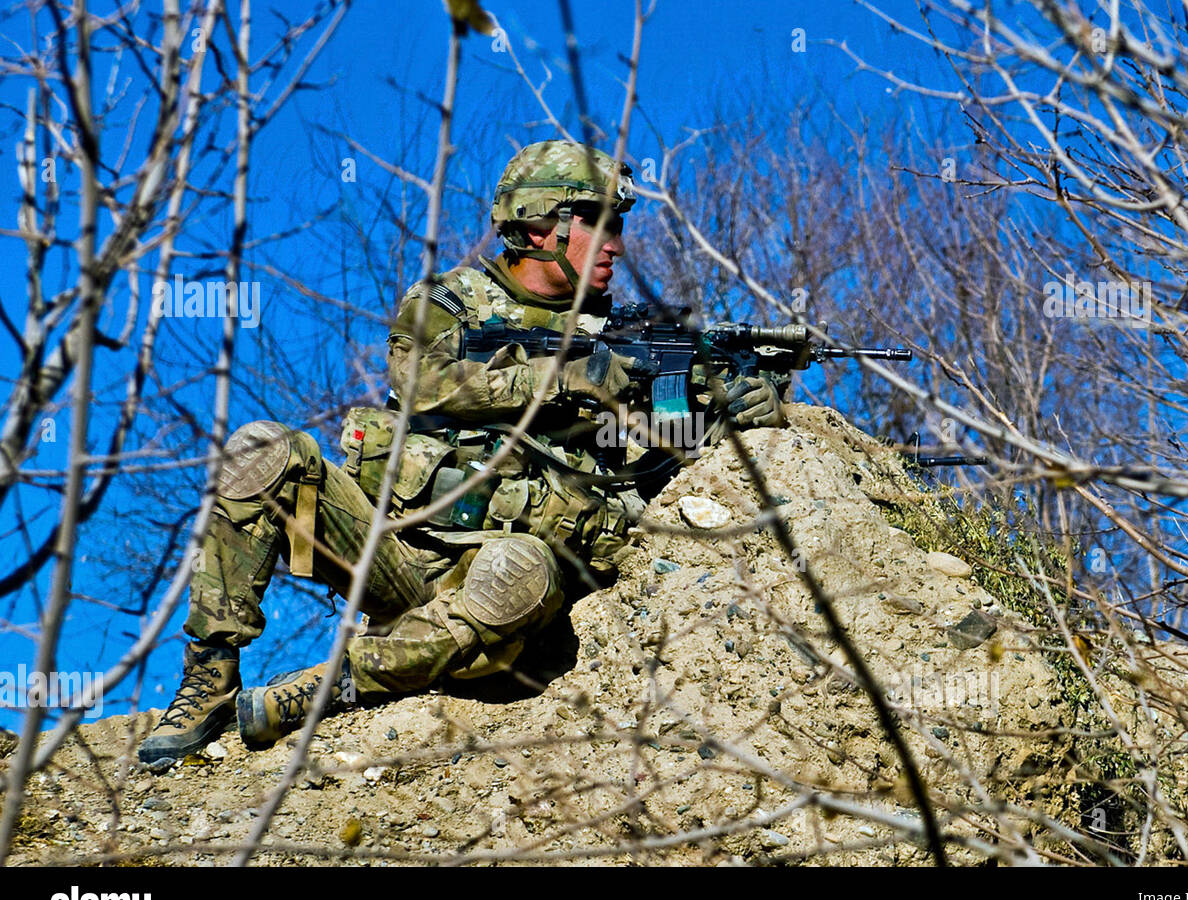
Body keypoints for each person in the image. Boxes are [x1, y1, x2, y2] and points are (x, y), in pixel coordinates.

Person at [137, 140, 785, 763]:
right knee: (263, 451)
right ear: (537, 226)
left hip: (510, 572)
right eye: (595, 220)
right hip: (392, 553)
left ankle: (323, 685)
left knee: (520, 570)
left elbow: (682, 454)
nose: (615, 241)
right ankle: (209, 678)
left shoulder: (639, 346)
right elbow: (420, 377)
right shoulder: (453, 305)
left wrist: (747, 405)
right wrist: (561, 378)